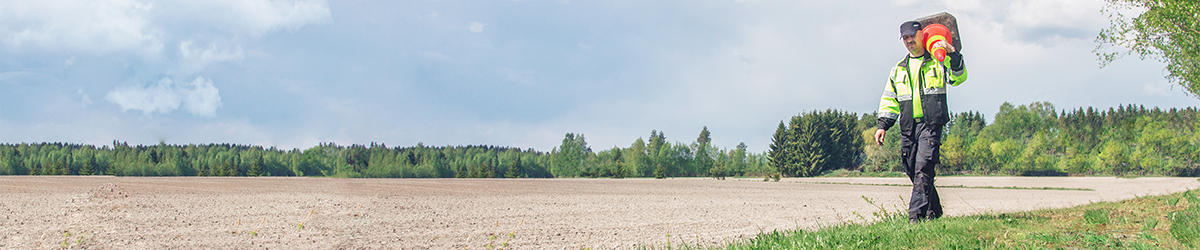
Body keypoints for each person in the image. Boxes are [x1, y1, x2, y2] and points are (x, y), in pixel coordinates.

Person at [874, 20, 967, 224]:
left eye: (912, 36)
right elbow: (890, 99)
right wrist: (883, 125)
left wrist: (952, 53)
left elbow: (959, 78)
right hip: (908, 127)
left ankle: (915, 218)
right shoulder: (898, 69)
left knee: (924, 167)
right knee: (912, 169)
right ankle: (934, 211)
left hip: (931, 124)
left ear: (921, 36)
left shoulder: (938, 61)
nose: (909, 41)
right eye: (905, 38)